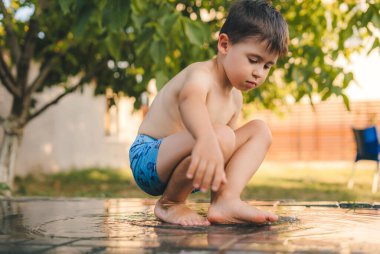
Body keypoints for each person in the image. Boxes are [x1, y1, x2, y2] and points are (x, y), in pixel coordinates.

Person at [129, 0, 289, 226]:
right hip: (150, 158)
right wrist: (207, 138)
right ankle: (170, 204)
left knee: (259, 130)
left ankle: (225, 202)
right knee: (221, 135)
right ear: (224, 45)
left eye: (267, 66)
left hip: (192, 167)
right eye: (253, 60)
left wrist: (215, 147)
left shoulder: (236, 98)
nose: (259, 73)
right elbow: (189, 100)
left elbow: (226, 151)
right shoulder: (201, 74)